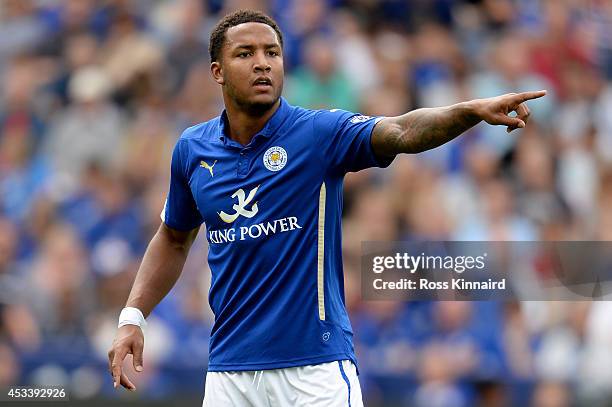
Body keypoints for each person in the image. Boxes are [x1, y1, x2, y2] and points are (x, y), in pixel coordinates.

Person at [107, 9, 546, 406]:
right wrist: (132, 317)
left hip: (314, 370)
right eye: (246, 53)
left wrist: (469, 110)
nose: (263, 62)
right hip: (229, 374)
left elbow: (401, 131)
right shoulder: (192, 149)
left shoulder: (317, 134)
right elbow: (173, 236)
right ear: (217, 72)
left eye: (272, 52)